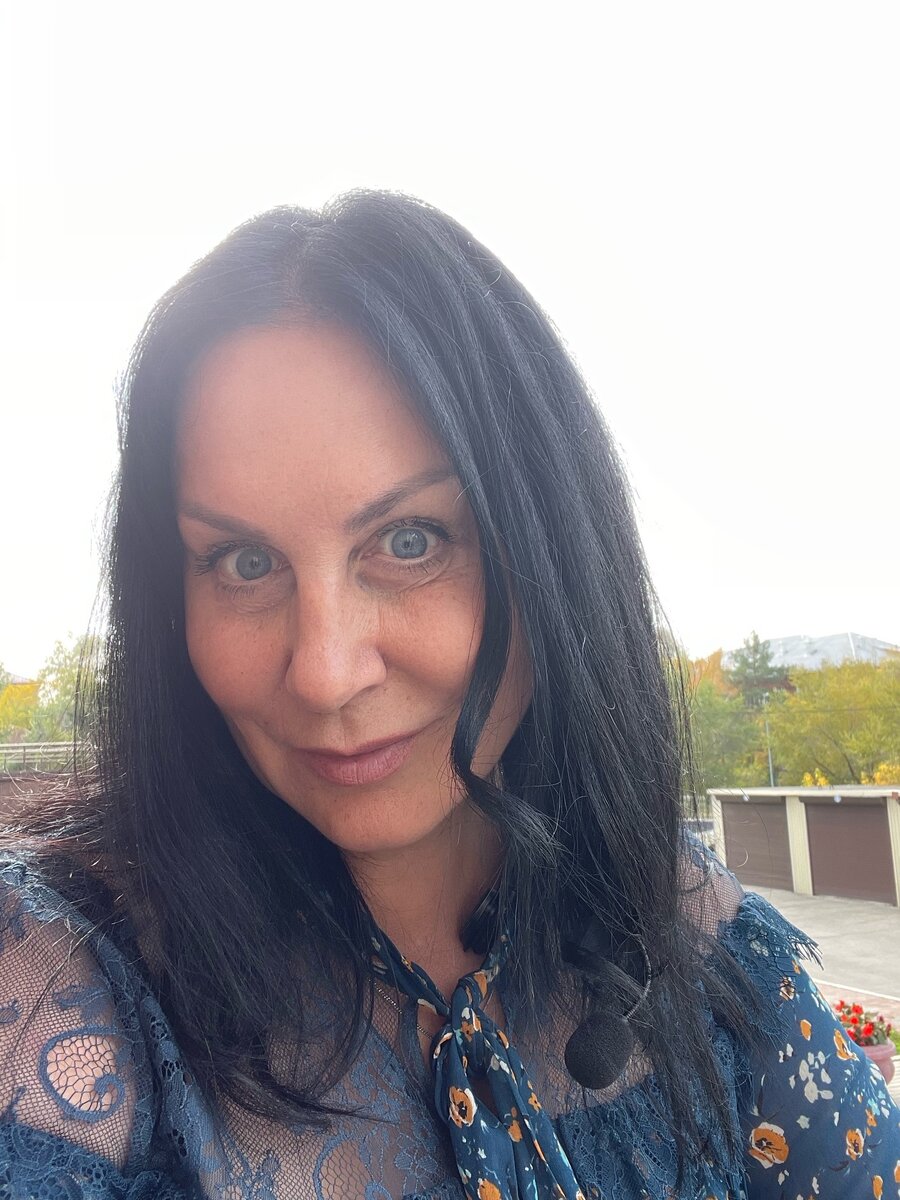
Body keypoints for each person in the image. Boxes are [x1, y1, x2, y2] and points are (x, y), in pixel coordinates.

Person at [1, 192, 897, 1200]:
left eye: (410, 540)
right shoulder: (56, 985)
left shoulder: (682, 928)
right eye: (244, 562)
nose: (325, 671)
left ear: (552, 550)